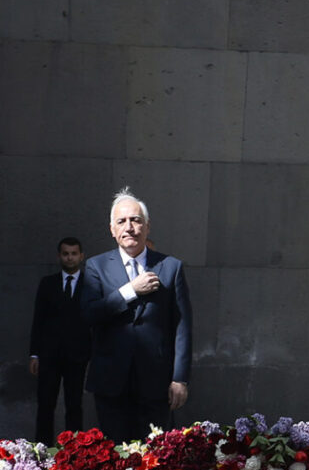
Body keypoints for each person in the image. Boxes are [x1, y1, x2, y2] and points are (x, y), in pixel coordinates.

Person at [80, 190, 192, 442]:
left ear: (147, 226)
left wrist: (180, 378)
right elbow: (89, 314)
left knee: (156, 457)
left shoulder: (171, 266)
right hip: (111, 380)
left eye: (136, 220)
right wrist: (130, 291)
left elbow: (182, 326)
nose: (129, 227)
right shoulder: (96, 266)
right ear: (112, 229)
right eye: (122, 221)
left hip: (157, 382)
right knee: (115, 459)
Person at [29, 236, 92, 445]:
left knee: (74, 404)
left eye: (74, 253)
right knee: (46, 404)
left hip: (78, 355)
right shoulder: (48, 283)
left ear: (81, 256)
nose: (70, 257)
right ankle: (42, 451)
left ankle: (74, 452)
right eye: (66, 253)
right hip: (49, 355)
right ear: (59, 256)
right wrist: (35, 353)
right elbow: (38, 320)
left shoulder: (91, 284)